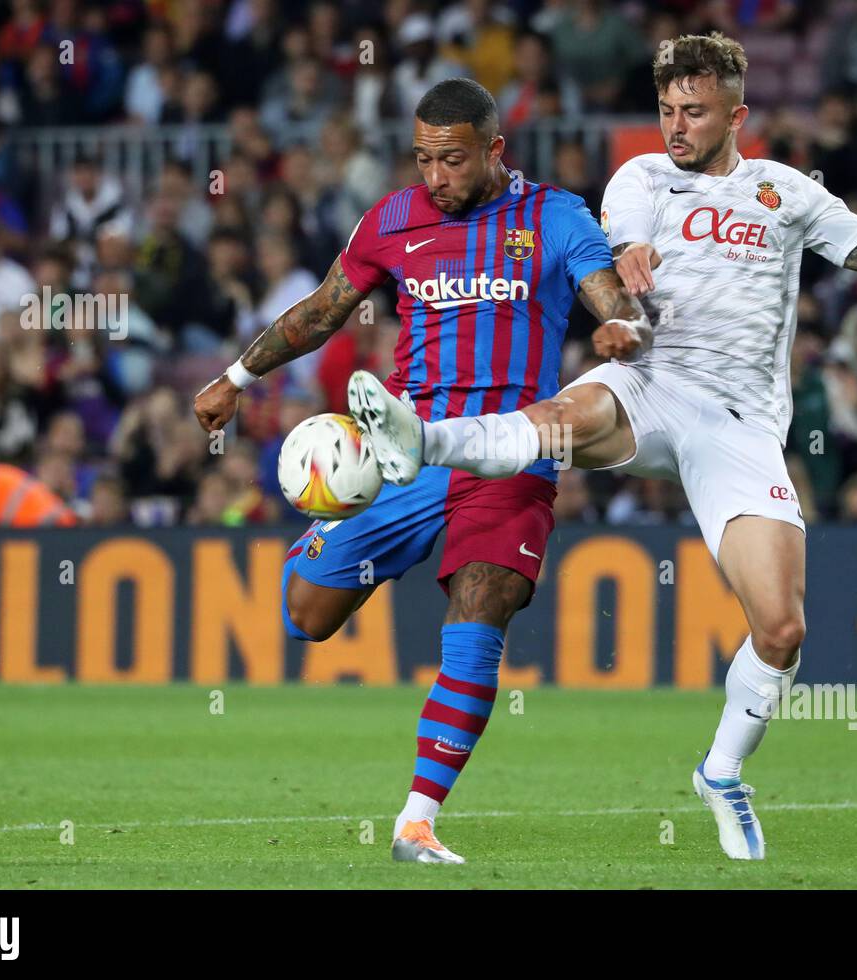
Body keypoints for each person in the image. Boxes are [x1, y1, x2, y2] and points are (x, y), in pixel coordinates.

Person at [346, 32, 857, 861]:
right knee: (571, 415)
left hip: (739, 427)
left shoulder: (788, 193)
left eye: (694, 112)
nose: (676, 126)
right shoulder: (639, 178)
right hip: (652, 383)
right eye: (667, 109)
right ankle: (423, 438)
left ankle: (721, 771)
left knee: (781, 629)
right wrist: (626, 292)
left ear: (736, 114)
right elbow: (620, 253)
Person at [193, 79, 646, 865]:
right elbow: (323, 309)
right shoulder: (392, 220)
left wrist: (621, 326)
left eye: (453, 160)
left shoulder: (555, 218)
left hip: (512, 453)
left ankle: (416, 822)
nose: (435, 177)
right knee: (307, 618)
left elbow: (610, 295)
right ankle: (326, 534)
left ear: (494, 151)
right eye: (424, 159)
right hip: (406, 451)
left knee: (479, 614)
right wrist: (237, 377)